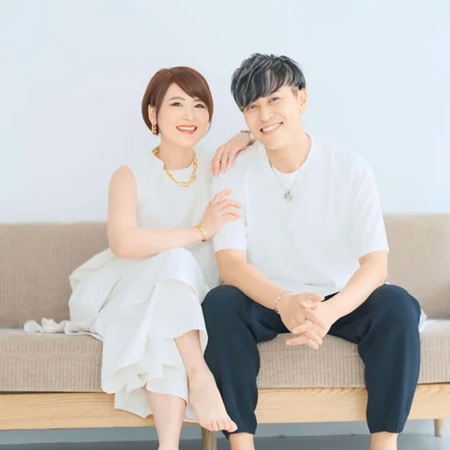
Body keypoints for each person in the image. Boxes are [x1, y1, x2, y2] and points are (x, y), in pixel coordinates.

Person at [202, 54, 422, 450]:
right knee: (219, 304)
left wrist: (328, 312)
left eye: (274, 99)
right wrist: (283, 301)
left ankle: (385, 444)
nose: (264, 115)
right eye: (252, 106)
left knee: (398, 304)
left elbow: (376, 264)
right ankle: (241, 442)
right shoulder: (233, 171)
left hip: (337, 299)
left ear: (301, 99)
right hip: (268, 298)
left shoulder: (349, 167)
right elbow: (230, 264)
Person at [30, 66, 253, 449]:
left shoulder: (220, 166)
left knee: (164, 331)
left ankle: (167, 445)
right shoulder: (129, 174)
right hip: (126, 290)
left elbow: (278, 135)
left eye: (199, 105)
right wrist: (200, 230)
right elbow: (124, 243)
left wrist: (244, 135)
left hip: (184, 301)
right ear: (153, 113)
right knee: (176, 262)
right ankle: (199, 375)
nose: (189, 115)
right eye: (177, 104)